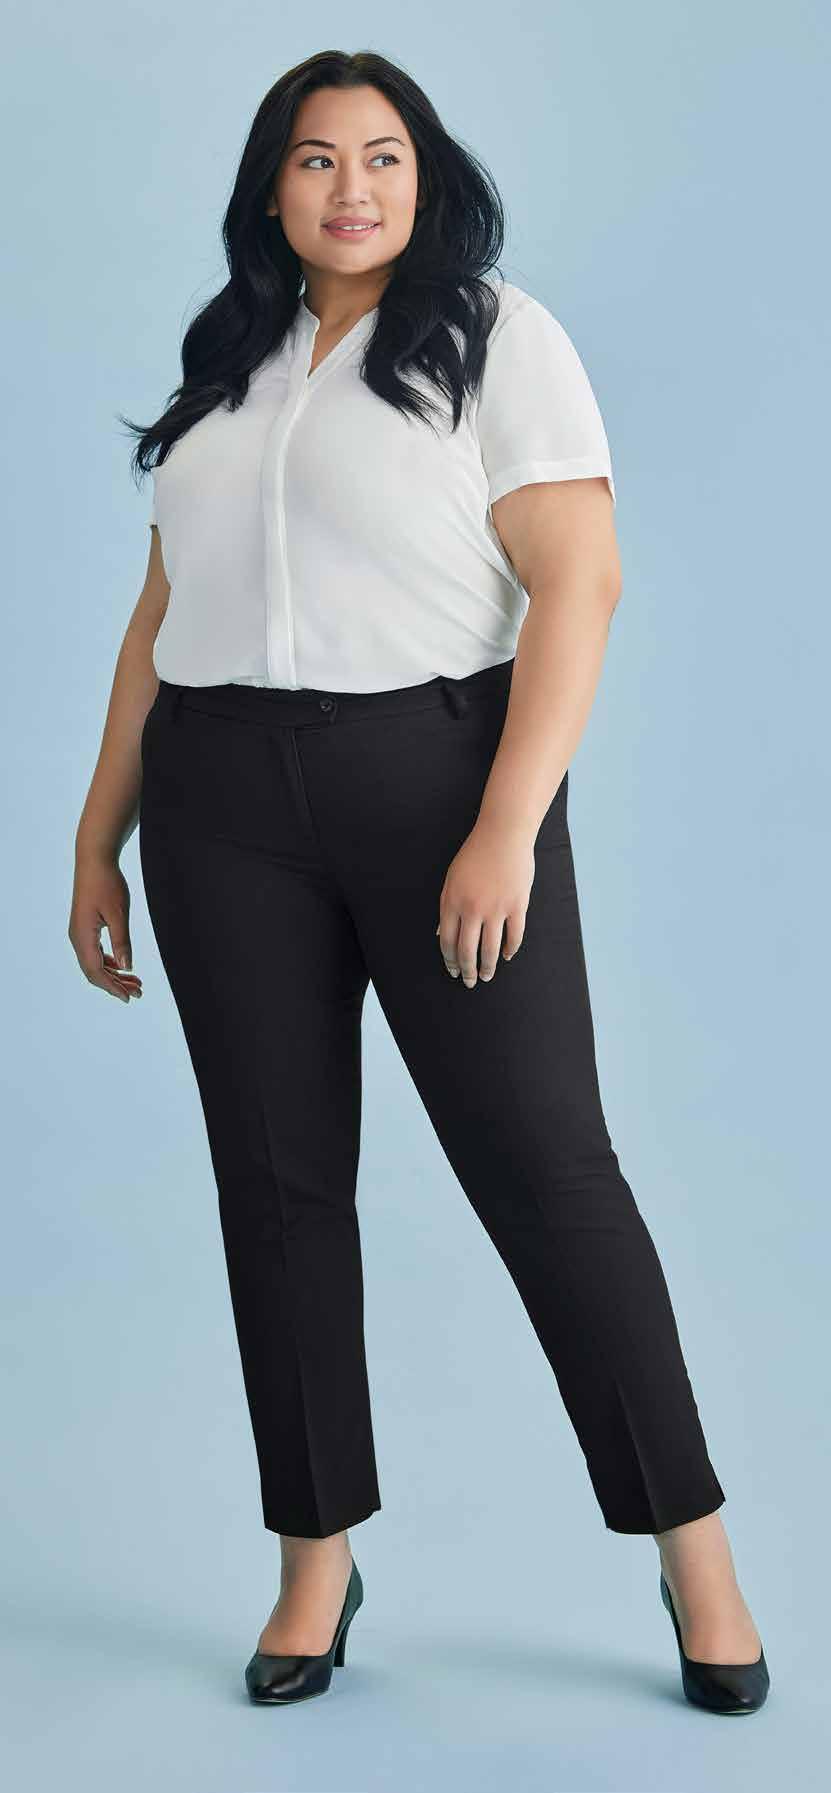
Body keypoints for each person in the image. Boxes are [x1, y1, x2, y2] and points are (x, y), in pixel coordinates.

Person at [69, 50, 770, 1714]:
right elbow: (161, 612)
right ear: (271, 191)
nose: (353, 187)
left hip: (438, 782)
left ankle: (699, 1558)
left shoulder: (498, 338)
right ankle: (315, 1558)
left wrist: (508, 822)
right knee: (277, 1185)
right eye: (317, 159)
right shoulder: (229, 360)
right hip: (221, 799)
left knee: (548, 1168)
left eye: (382, 156)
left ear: (425, 177)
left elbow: (581, 581)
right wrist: (99, 831)